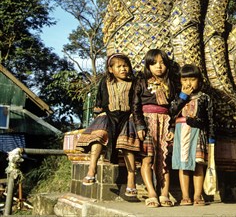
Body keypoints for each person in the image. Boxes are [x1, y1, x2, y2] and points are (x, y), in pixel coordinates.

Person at [75, 53, 140, 197]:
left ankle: (131, 178)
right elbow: (100, 98)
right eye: (119, 66)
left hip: (127, 116)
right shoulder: (105, 81)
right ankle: (92, 169)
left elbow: (136, 101)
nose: (123, 69)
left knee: (126, 143)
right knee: (99, 134)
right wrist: (99, 109)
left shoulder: (134, 82)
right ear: (111, 69)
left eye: (125, 66)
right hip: (109, 114)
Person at [133, 49, 177, 208]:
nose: (159, 66)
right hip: (147, 120)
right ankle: (151, 193)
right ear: (148, 65)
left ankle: (164, 194)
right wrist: (139, 124)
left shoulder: (170, 84)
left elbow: (174, 109)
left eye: (162, 63)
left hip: (165, 121)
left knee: (164, 159)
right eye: (154, 63)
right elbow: (135, 104)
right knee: (148, 157)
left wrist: (172, 127)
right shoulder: (142, 82)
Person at [170, 64, 215, 206]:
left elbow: (210, 118)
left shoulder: (204, 98)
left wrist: (211, 137)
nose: (188, 83)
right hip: (181, 133)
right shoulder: (177, 97)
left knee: (198, 164)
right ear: (180, 81)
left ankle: (197, 195)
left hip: (198, 133)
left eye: (192, 79)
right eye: (185, 80)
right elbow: (172, 111)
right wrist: (183, 97)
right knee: (183, 165)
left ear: (199, 81)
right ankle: (185, 196)